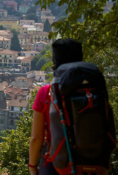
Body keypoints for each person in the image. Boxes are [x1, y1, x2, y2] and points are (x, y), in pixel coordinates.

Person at [28, 38, 83, 175]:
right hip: (92, 163)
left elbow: (36, 138)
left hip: (57, 163)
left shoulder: (46, 93)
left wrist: (32, 166)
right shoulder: (93, 91)